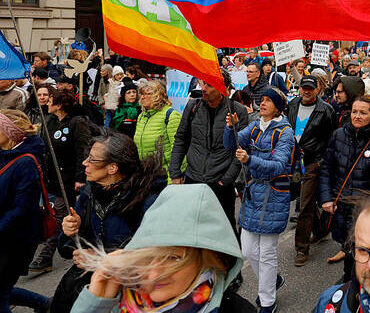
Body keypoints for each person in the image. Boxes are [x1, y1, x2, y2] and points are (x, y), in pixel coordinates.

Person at [70, 184, 243, 313]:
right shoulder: (116, 301)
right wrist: (95, 304)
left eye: (173, 258)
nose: (153, 275)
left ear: (208, 257)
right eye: (147, 257)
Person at [53, 129, 166, 313]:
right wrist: (71, 232)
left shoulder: (147, 200)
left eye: (92, 160)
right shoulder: (88, 194)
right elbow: (67, 250)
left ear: (112, 168)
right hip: (91, 289)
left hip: (130, 295)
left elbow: (153, 256)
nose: (84, 164)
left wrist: (102, 259)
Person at [223, 88, 293, 313]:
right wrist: (230, 127)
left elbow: (279, 166)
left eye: (268, 101)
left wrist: (250, 159)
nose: (262, 104)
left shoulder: (285, 133)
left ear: (277, 107)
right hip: (254, 195)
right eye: (261, 100)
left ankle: (267, 301)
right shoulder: (254, 125)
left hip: (273, 196)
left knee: (267, 252)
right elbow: (230, 144)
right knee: (248, 251)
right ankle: (272, 281)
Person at [319, 96, 370, 281]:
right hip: (341, 205)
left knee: (362, 251)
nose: (357, 116)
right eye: (354, 111)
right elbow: (326, 169)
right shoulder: (338, 135)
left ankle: (355, 285)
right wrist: (326, 197)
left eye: (363, 113)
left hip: (365, 209)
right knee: (347, 247)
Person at [168, 70, 249, 233]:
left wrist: (226, 179)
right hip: (193, 178)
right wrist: (175, 172)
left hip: (220, 182)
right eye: (202, 83)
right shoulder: (193, 106)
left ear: (223, 89)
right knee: (193, 228)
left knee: (224, 230)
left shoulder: (237, 111)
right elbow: (181, 139)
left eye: (209, 85)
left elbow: (242, 148)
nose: (203, 88)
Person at [28, 89, 92, 275]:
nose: (47, 103)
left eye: (51, 100)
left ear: (60, 105)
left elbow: (83, 150)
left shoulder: (77, 123)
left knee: (60, 215)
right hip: (54, 179)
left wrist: (81, 178)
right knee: (68, 215)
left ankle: (46, 256)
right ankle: (77, 246)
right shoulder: (51, 122)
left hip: (70, 179)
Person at [0, 110, 51, 313]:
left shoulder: (26, 162)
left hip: (14, 241)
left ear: (9, 133)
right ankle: (45, 304)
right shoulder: (3, 155)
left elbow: (23, 209)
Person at [285, 76, 336, 267]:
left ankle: (301, 247)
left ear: (317, 90)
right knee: (307, 200)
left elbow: (332, 139)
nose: (306, 91)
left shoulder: (326, 110)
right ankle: (322, 229)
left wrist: (324, 161)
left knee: (304, 205)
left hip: (313, 163)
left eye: (310, 88)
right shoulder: (292, 105)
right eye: (303, 88)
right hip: (293, 162)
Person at [132, 80, 179, 174]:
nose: (142, 97)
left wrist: (173, 177)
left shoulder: (171, 116)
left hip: (164, 176)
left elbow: (178, 151)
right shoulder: (142, 116)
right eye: (141, 94)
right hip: (146, 176)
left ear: (158, 96)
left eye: (147, 94)